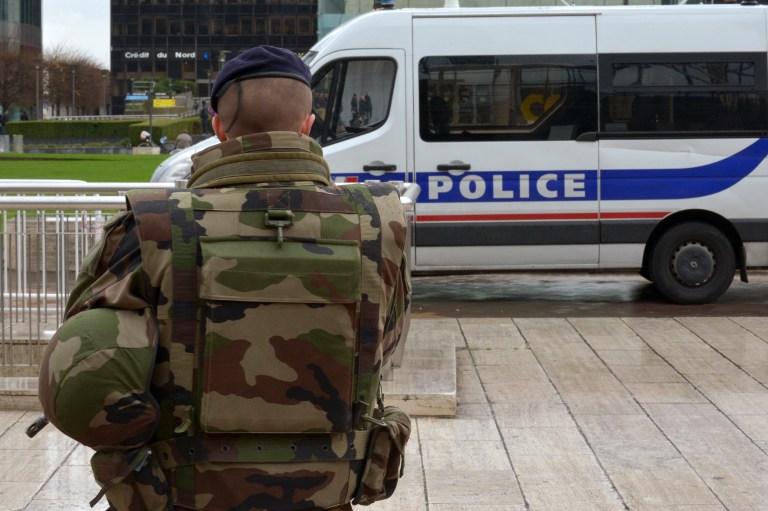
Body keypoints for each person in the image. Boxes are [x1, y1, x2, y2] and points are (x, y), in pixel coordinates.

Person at [37, 45, 411, 511]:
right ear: (308, 124)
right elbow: (384, 342)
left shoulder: (153, 226)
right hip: (326, 490)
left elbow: (84, 344)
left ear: (217, 127)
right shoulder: (380, 222)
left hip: (186, 492)